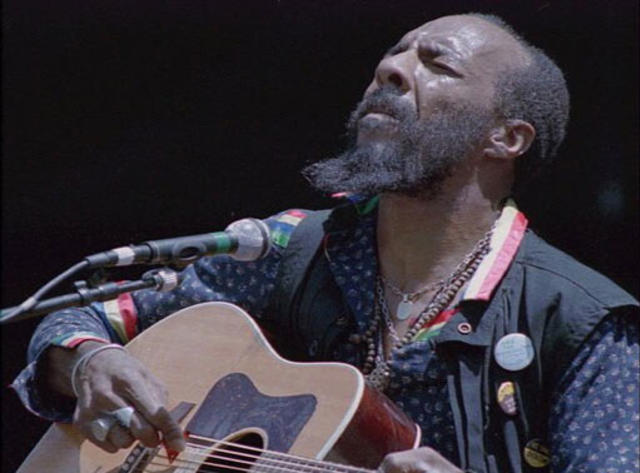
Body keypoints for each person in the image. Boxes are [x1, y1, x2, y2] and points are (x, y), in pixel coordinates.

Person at [12, 13, 639, 473]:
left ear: (506, 138)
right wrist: (90, 362)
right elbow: (82, 316)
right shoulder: (291, 249)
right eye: (395, 53)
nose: (390, 68)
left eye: (437, 63)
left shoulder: (586, 326)